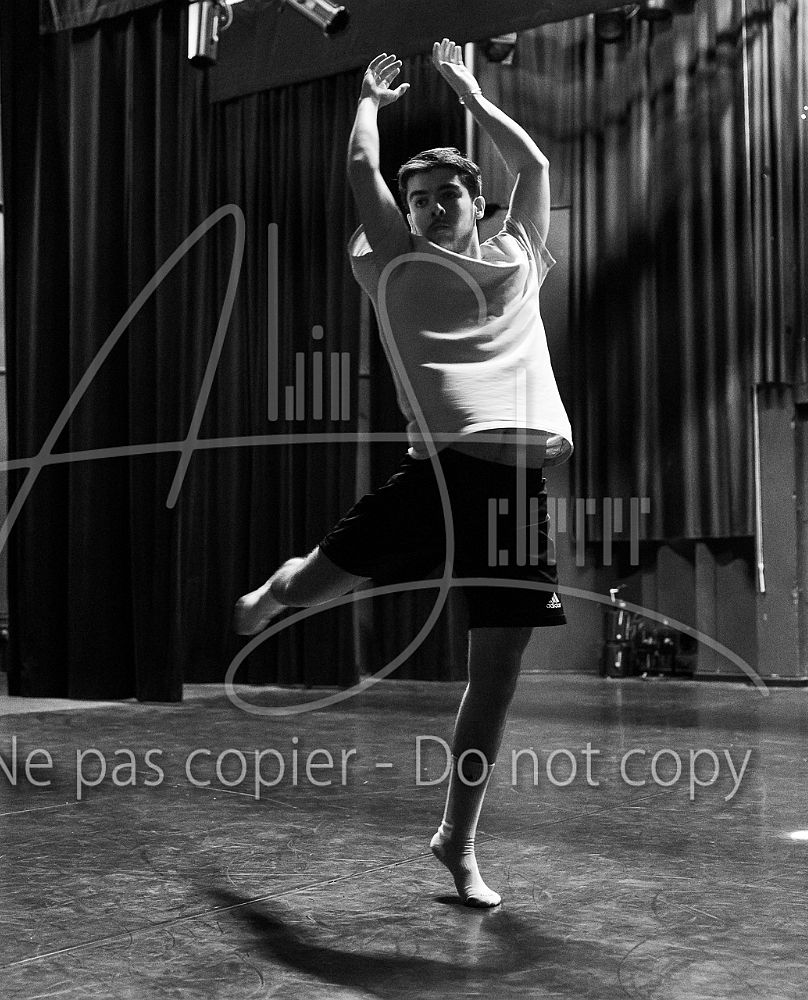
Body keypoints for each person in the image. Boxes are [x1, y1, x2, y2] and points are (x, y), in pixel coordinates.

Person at [234, 39, 573, 909]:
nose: (427, 207)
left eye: (444, 194)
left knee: (495, 678)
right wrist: (368, 104)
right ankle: (273, 592)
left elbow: (534, 165)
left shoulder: (520, 256)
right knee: (311, 588)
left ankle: (457, 841)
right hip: (436, 480)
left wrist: (472, 94)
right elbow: (360, 168)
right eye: (416, 197)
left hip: (516, 493)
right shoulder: (394, 261)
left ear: (477, 202)